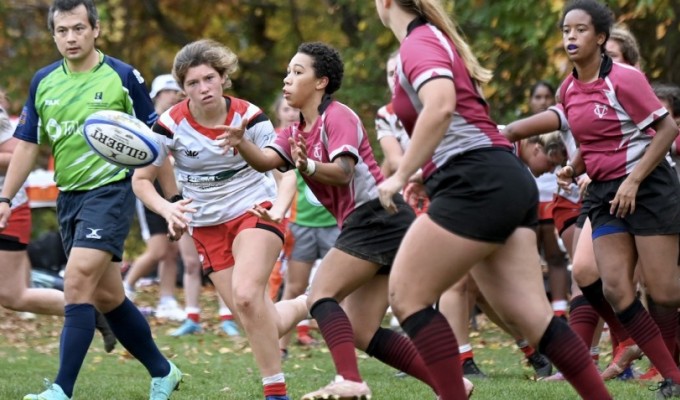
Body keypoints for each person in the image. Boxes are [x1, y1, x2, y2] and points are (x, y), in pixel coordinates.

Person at [373, 0, 611, 399]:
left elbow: (442, 106)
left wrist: (399, 173)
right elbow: (464, 124)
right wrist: (424, 174)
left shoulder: (418, 42)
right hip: (497, 176)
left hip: (479, 181)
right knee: (533, 318)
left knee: (406, 294)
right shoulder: (434, 39)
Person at [221, 40, 476, 400]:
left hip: (377, 216)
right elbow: (266, 161)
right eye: (287, 72)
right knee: (360, 328)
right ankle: (452, 386)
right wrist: (241, 142)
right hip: (373, 223)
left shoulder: (339, 116)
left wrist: (306, 164)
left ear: (321, 82)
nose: (286, 79)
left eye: (297, 72)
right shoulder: (294, 131)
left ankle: (350, 381)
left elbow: (342, 173)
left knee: (322, 293)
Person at [0, 1, 182, 399]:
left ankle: (61, 390)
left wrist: (173, 200)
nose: (71, 37)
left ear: (96, 29)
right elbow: (28, 145)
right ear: (53, 35)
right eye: (62, 30)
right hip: (69, 198)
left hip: (111, 192)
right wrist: (5, 197)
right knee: (108, 297)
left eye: (79, 28)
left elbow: (157, 143)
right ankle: (163, 370)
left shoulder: (121, 76)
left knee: (77, 282)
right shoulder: (43, 81)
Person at [132, 39, 308, 400]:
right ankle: (314, 300)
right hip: (206, 226)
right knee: (258, 320)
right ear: (183, 88)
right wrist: (169, 208)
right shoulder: (169, 125)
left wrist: (279, 208)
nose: (203, 88)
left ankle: (275, 393)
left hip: (255, 210)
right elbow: (141, 180)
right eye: (193, 83)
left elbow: (286, 174)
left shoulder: (250, 117)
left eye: (209, 78)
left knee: (246, 296)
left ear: (224, 78)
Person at [555, 0, 680, 396]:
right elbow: (591, 139)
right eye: (566, 30)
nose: (571, 37)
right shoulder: (567, 87)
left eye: (580, 29)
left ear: (601, 37)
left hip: (648, 186)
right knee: (613, 287)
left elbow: (666, 131)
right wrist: (574, 168)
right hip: (605, 193)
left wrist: (633, 181)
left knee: (665, 293)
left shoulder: (624, 78)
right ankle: (673, 377)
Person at [272, 94, 340, 358]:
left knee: (338, 289)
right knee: (294, 287)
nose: (292, 113)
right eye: (286, 109)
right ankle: (280, 347)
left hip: (332, 224)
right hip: (301, 225)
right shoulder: (282, 142)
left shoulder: (330, 134)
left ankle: (342, 347)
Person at [123, 74, 186, 321]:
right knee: (159, 249)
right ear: (159, 94)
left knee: (172, 250)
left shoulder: (179, 120)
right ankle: (127, 287)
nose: (175, 96)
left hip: (174, 188)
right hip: (150, 189)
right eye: (171, 91)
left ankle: (167, 300)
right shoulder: (146, 122)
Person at [527, 81, 571, 319]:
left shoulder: (562, 127)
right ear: (531, 101)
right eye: (538, 97)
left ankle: (560, 309)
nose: (543, 101)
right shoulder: (526, 130)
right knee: (529, 257)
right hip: (530, 199)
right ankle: (535, 310)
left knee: (555, 255)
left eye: (547, 96)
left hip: (555, 196)